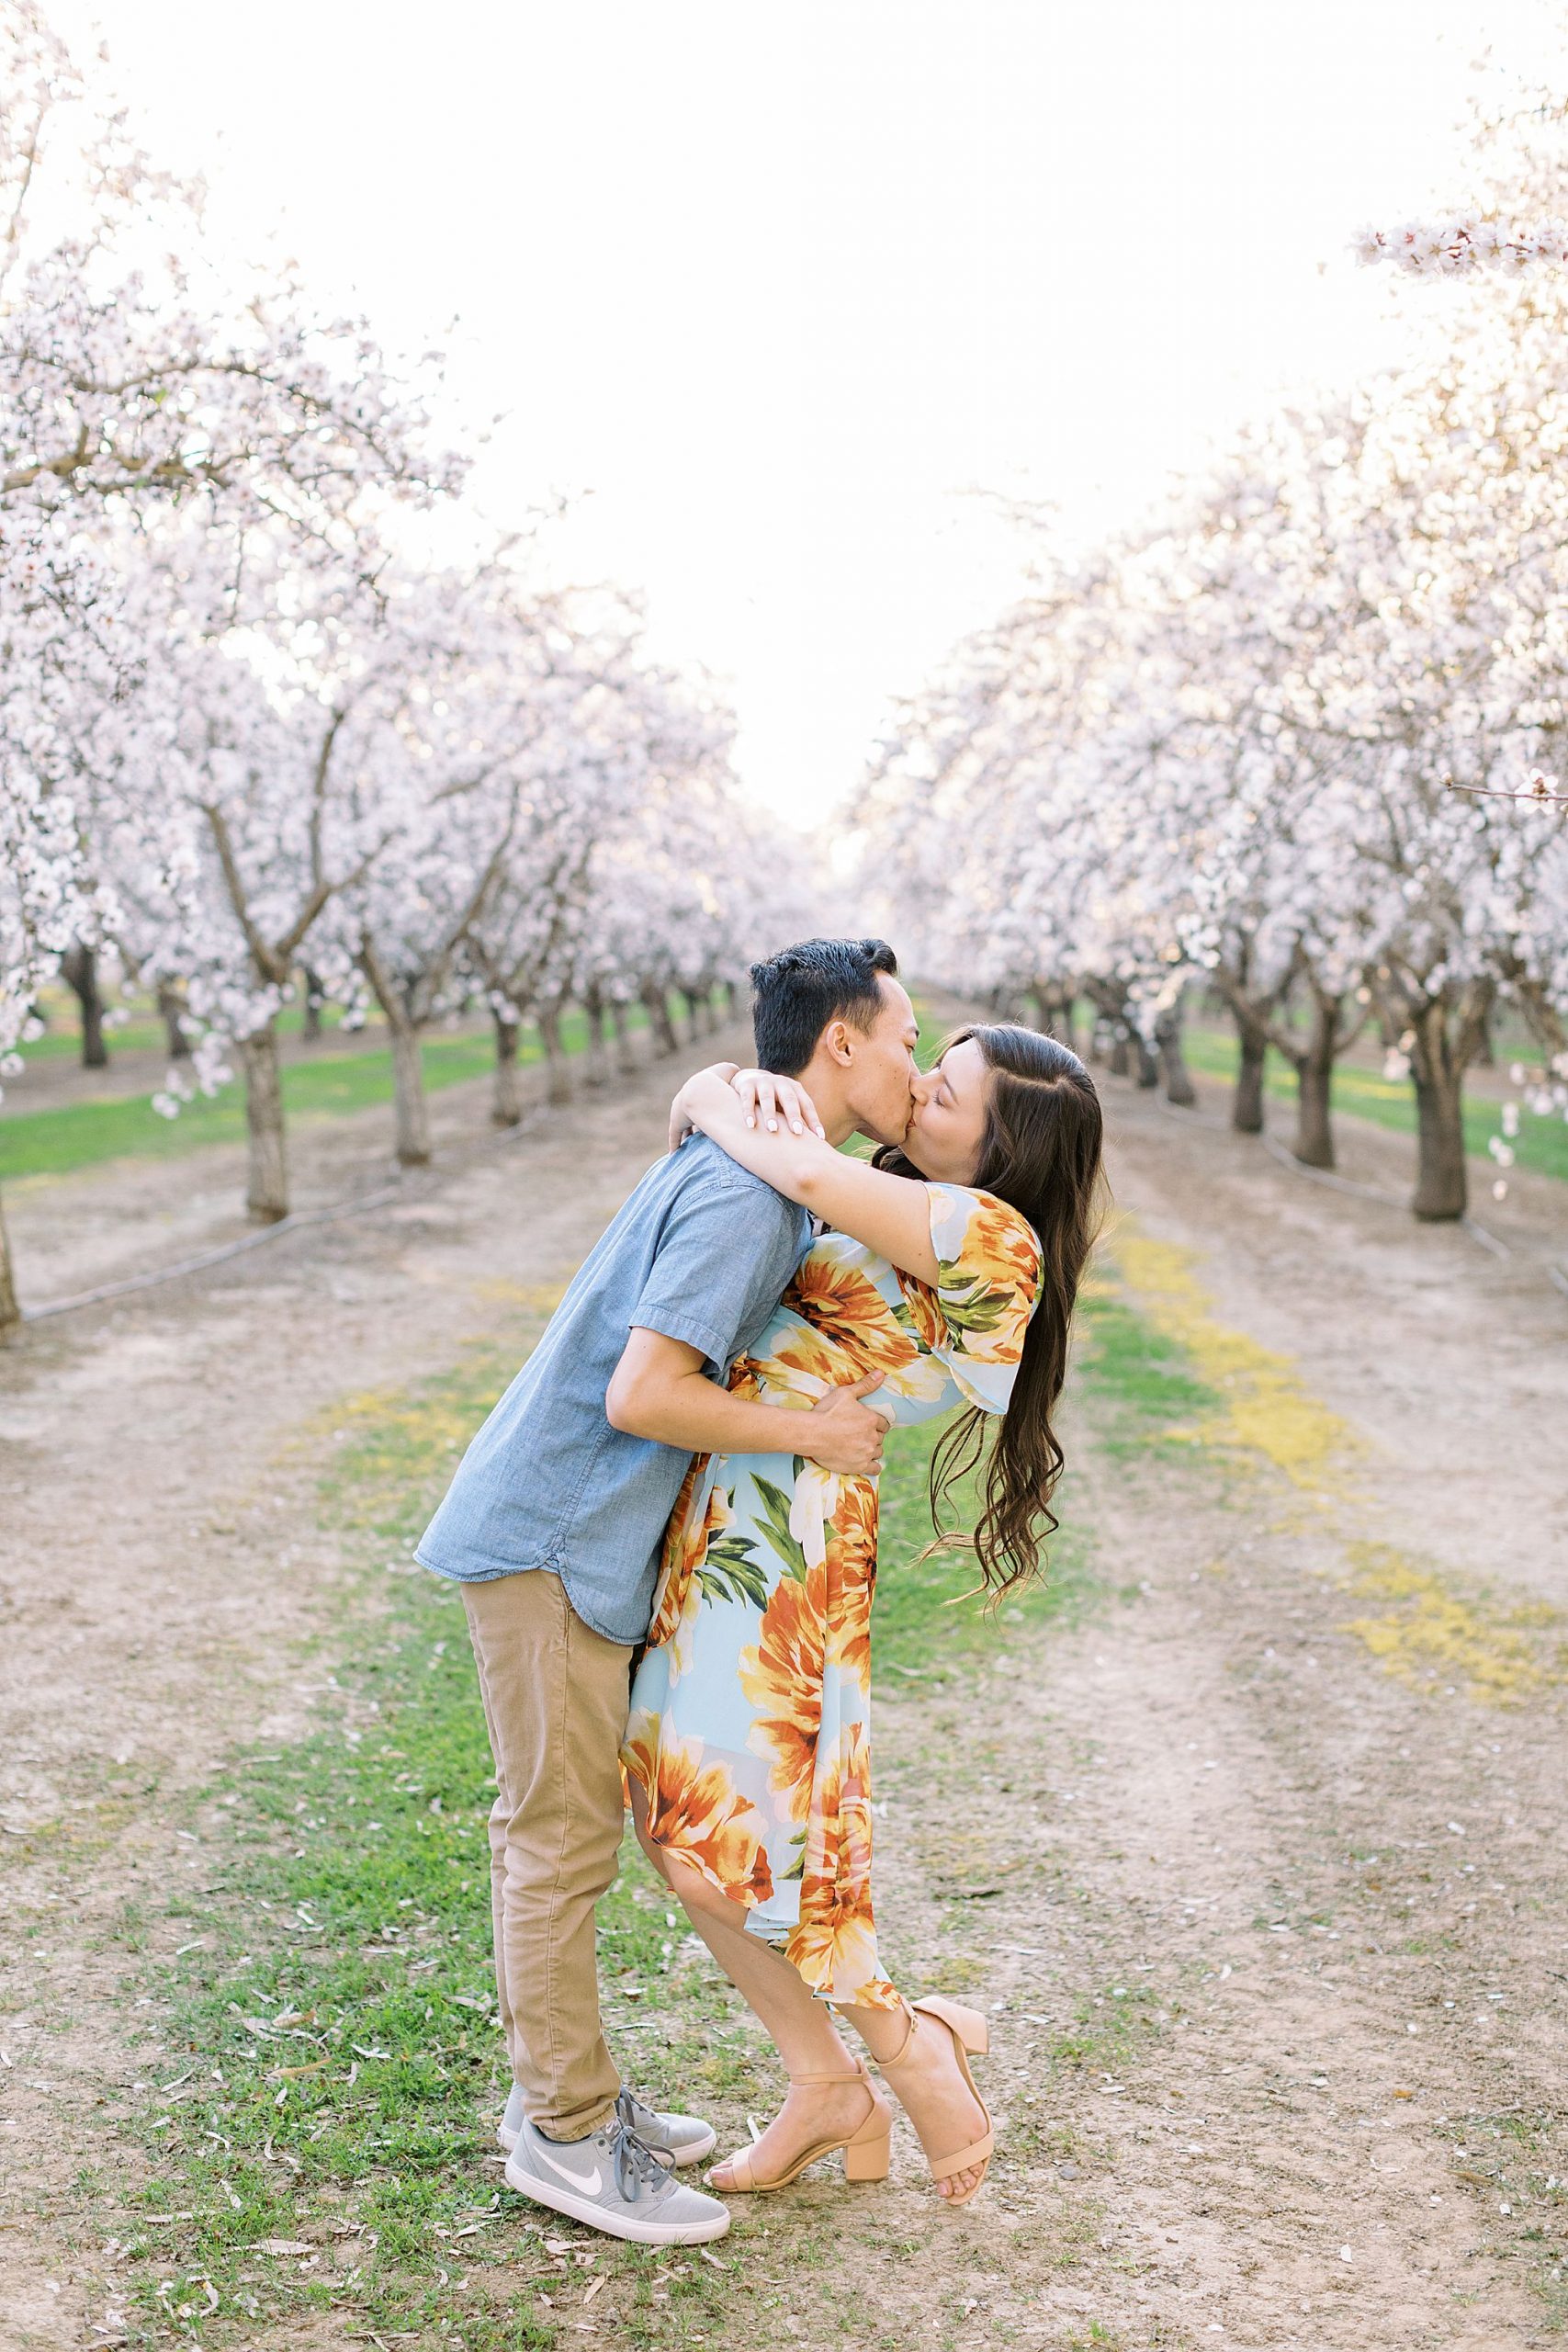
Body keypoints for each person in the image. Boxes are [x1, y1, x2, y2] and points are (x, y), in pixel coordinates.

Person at [412, 936, 917, 2245]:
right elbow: (643, 1393)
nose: (915, 1062)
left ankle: (569, 2104)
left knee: (560, 1835)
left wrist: (703, 1090)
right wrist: (815, 1435)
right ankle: (567, 2136)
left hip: (578, 1539)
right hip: (553, 1541)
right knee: (558, 1842)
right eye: (905, 1038)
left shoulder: (765, 1162)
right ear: (842, 1042)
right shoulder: (752, 1198)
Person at [620, 1001, 1103, 2208]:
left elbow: (779, 1155)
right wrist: (706, 1085)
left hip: (784, 1538)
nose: (921, 1090)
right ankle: (827, 2081)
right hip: (728, 1505)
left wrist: (726, 1091)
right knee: (676, 1824)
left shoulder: (988, 1235)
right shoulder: (899, 1192)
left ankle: (901, 2049)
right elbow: (720, 1132)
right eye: (929, 1068)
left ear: (1006, 1148)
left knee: (721, 1838)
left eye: (952, 1090)